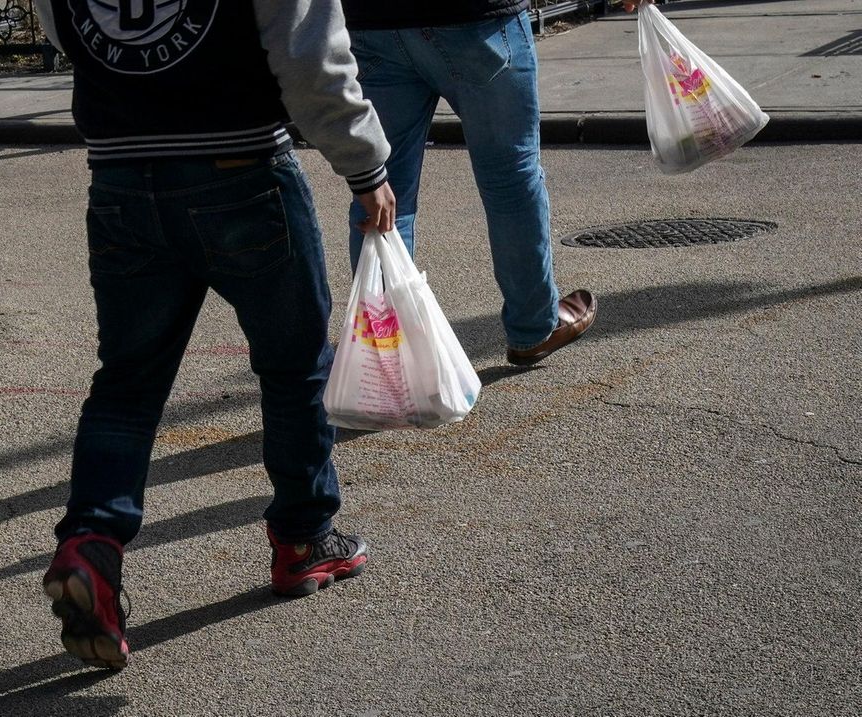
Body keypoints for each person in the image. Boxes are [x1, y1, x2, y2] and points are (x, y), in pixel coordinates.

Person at [35, 0, 396, 670]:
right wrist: (364, 161)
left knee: (126, 383)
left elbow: (62, 24)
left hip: (121, 171)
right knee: (293, 365)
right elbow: (309, 52)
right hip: (242, 164)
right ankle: (303, 536)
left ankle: (91, 539)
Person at [341, 0, 598, 366]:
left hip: (374, 23)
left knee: (382, 189)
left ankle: (386, 358)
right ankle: (532, 329)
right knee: (510, 180)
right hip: (478, 21)